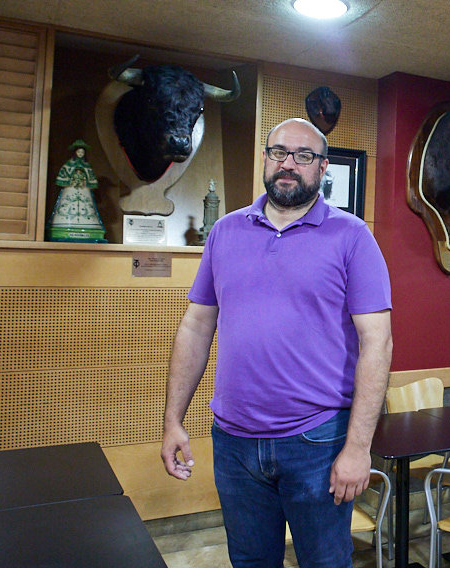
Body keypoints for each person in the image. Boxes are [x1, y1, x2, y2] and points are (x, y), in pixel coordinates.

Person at [161, 117, 393, 567]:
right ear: (265, 159)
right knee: (249, 563)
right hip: (233, 442)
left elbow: (377, 344)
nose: (289, 164)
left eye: (304, 156)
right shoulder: (225, 232)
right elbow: (195, 326)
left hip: (318, 440)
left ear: (322, 167)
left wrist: (358, 448)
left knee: (325, 563)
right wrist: (173, 420)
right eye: (279, 152)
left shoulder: (353, 238)